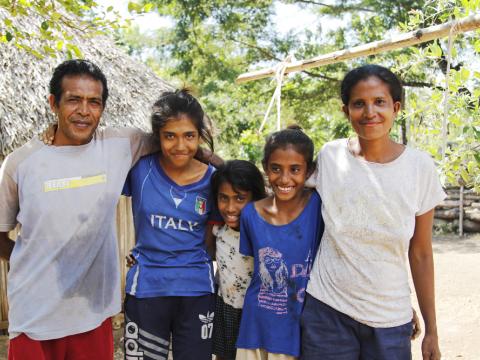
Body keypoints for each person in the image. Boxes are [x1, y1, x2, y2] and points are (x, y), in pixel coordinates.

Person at [0, 59, 159, 359]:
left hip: (93, 315)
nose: (84, 111)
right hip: (33, 317)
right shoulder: (21, 164)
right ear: (53, 103)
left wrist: (223, 166)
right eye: (74, 100)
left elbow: (177, 141)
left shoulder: (120, 145)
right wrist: (32, 259)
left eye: (94, 102)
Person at [301, 64, 445, 360]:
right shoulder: (331, 156)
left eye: (379, 102)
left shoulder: (419, 168)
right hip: (327, 311)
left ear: (395, 107)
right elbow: (286, 191)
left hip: (390, 318)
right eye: (359, 104)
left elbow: (420, 253)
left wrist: (432, 329)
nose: (369, 112)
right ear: (346, 111)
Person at [122, 89, 222, 360]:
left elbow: (221, 233)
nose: (180, 145)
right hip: (146, 289)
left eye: (189, 135)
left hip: (197, 290)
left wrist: (217, 162)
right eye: (170, 136)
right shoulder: (139, 170)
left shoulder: (215, 180)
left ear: (200, 135)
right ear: (157, 137)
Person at [236, 126, 324, 360]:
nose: (284, 179)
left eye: (295, 169)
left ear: (310, 171)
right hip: (256, 327)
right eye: (276, 169)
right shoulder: (250, 215)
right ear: (265, 168)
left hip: (301, 326)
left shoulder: (319, 207)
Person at [210, 160, 267, 360]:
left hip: (255, 315)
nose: (230, 207)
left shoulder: (265, 233)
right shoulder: (219, 232)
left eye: (240, 198)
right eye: (223, 198)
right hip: (227, 311)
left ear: (255, 197)